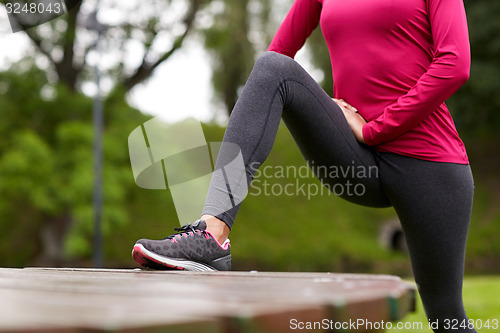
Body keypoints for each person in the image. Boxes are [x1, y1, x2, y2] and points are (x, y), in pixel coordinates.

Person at [132, 0, 476, 331]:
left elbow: (454, 64)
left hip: (430, 164)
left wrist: (376, 128)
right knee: (272, 67)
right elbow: (278, 58)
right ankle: (212, 233)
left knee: (446, 316)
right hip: (356, 155)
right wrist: (320, 104)